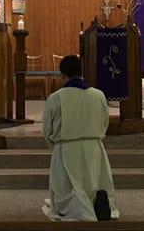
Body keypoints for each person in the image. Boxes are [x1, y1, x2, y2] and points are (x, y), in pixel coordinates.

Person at [42, 55, 119, 221]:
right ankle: (98, 205)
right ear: (81, 72)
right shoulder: (98, 95)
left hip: (67, 149)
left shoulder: (55, 98)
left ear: (62, 75)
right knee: (95, 184)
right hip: (94, 148)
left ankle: (79, 211)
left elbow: (47, 130)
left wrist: (55, 147)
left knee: (69, 190)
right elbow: (104, 123)